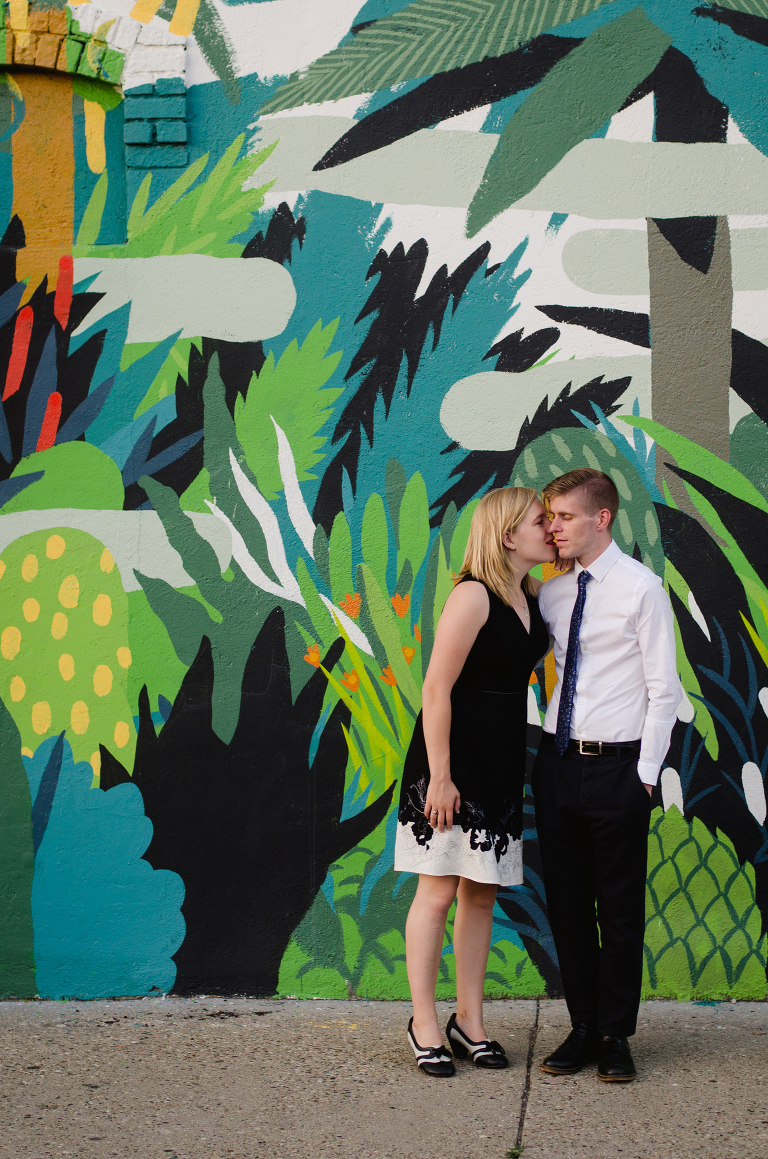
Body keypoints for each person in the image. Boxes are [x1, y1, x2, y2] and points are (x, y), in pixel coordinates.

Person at [394, 487, 554, 1076]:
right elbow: (436, 688)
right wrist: (440, 778)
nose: (551, 530)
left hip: (500, 760)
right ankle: (425, 1023)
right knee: (437, 891)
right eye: (542, 521)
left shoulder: (529, 594)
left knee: (480, 891)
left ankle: (470, 1021)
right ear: (509, 534)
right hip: (451, 764)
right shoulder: (472, 595)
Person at [534, 468, 682, 1083]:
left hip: (619, 770)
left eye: (563, 517)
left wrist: (644, 774)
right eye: (549, 517)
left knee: (618, 910)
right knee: (568, 908)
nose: (552, 528)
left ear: (601, 518)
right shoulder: (551, 594)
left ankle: (617, 1034)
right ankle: (584, 1027)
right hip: (557, 767)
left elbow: (663, 690)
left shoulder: (642, 589)